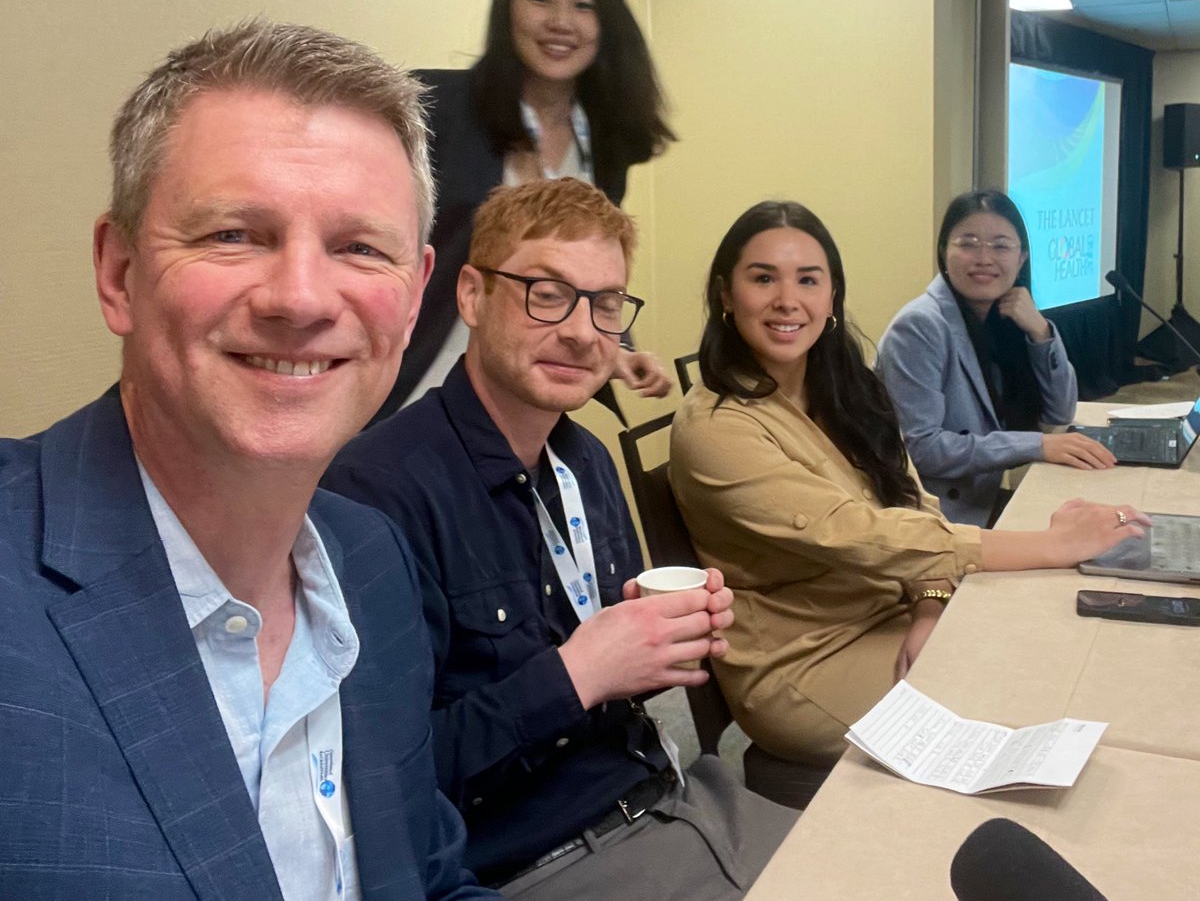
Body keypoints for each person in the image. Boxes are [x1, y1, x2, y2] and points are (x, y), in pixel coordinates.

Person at [0, 21, 496, 901]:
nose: (300, 298)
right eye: (234, 234)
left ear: (415, 295)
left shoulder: (373, 564)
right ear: (119, 273)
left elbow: (424, 874)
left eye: (358, 247)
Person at [324, 179, 796, 900]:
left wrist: (659, 639)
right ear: (473, 296)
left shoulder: (585, 461)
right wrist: (578, 674)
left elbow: (607, 662)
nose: (582, 331)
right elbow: (383, 785)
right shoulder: (375, 494)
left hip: (672, 798)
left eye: (606, 304)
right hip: (541, 860)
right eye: (547, 292)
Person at [669, 200, 1149, 767]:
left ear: (832, 296)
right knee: (1031, 689)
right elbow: (859, 534)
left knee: (1058, 640)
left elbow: (909, 497)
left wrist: (930, 597)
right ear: (726, 294)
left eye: (808, 279)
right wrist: (1054, 543)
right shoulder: (715, 426)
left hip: (891, 605)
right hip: (809, 660)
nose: (787, 300)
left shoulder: (842, 387)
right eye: (763, 278)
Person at [370, 0, 675, 424]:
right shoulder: (435, 108)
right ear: (507, 8)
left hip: (516, 405)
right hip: (413, 392)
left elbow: (582, 268)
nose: (561, 22)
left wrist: (616, 346)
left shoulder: (605, 137)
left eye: (584, 4)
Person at [876, 190, 1115, 526]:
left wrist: (1041, 332)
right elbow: (922, 449)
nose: (984, 257)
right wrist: (1036, 445)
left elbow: (1059, 412)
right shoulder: (920, 326)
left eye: (1001, 245)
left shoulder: (1001, 320)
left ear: (1021, 259)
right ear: (944, 251)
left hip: (978, 505)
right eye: (968, 243)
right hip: (933, 520)